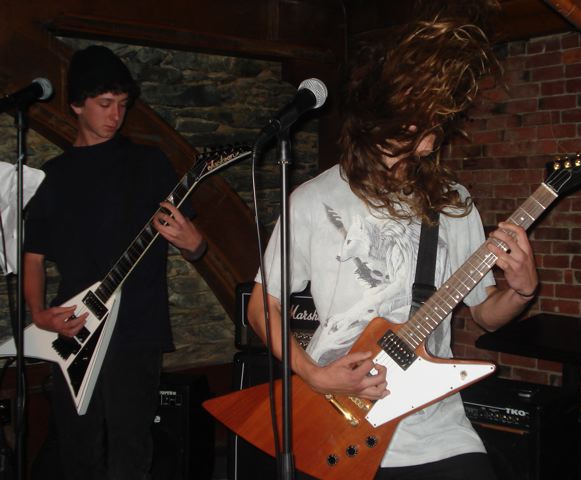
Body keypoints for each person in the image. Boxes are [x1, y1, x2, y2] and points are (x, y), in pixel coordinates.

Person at [247, 4, 539, 480]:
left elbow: (485, 314)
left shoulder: (452, 203)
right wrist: (313, 373)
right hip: (334, 418)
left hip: (436, 429)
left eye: (437, 119)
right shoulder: (312, 200)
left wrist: (521, 290)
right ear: (381, 113)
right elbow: (263, 306)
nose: (431, 137)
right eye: (419, 118)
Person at [23, 45, 206, 479]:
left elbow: (194, 246)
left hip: (135, 331)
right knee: (77, 452)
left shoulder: (149, 164)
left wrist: (193, 243)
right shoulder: (52, 176)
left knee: (130, 452)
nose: (116, 115)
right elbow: (33, 258)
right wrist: (39, 314)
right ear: (76, 105)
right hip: (73, 331)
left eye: (122, 105)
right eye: (105, 104)